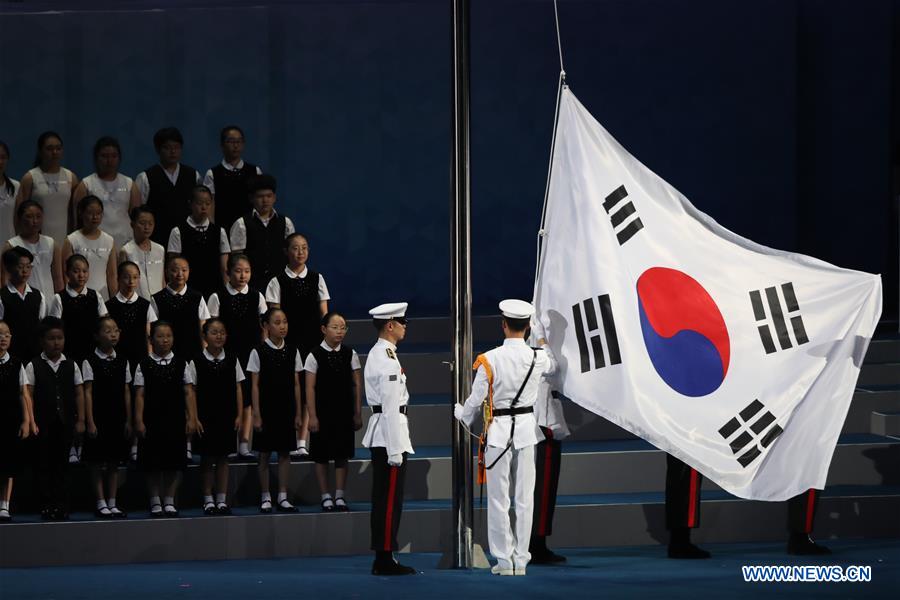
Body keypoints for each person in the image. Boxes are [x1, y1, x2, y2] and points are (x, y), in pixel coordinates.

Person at [454, 299, 558, 576]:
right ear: (526, 327)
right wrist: (542, 340)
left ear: (503, 324)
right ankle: (522, 560)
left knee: (499, 499)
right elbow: (554, 366)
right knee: (525, 498)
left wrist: (461, 413)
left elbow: (475, 401)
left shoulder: (489, 359)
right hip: (526, 430)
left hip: (498, 432)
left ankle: (504, 561)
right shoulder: (537, 358)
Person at [665, 457, 830, 557]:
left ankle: (801, 537)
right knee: (684, 447)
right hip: (716, 408)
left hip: (765, 407)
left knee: (807, 443)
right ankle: (679, 539)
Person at [362, 302, 416, 576]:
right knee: (388, 500)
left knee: (387, 499)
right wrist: (396, 449)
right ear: (390, 325)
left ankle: (385, 555)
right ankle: (384, 558)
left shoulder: (384, 354)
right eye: (402, 322)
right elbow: (392, 406)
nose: (406, 327)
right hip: (388, 436)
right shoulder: (385, 357)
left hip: (385, 432)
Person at [266, 232, 329, 459]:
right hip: (287, 343)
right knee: (289, 391)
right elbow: (274, 315)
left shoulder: (317, 278)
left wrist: (325, 339)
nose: (300, 252)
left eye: (304, 247)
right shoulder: (276, 281)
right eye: (295, 248)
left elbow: (324, 314)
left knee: (306, 389)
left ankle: (302, 440)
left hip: (312, 341)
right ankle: (287, 439)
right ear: (286, 251)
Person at [133, 320, 198, 517]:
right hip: (152, 419)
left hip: (175, 418)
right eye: (160, 336)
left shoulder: (181, 364)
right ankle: (155, 500)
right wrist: (138, 420)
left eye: (168, 336)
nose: (164, 340)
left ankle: (169, 499)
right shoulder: (144, 364)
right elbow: (139, 395)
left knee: (173, 461)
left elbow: (188, 393)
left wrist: (192, 418)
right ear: (151, 339)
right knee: (152, 463)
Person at [206, 253, 266, 461]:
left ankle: (243, 444)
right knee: (228, 398)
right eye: (238, 271)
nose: (242, 276)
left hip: (251, 353)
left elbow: (264, 326)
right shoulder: (217, 296)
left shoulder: (257, 296)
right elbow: (212, 328)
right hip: (226, 353)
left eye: (247, 271)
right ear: (228, 272)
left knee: (248, 398)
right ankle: (228, 443)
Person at [25, 316, 85, 520]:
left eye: (60, 338)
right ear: (42, 341)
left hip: (65, 421)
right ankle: (46, 503)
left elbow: (79, 393)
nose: (56, 342)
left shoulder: (71, 364)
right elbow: (28, 394)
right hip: (42, 423)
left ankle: (62, 504)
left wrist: (81, 419)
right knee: (44, 464)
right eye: (51, 338)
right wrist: (31, 420)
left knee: (62, 465)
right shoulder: (34, 365)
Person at [305, 311, 362, 512]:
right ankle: (325, 495)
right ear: (323, 329)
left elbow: (356, 384)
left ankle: (339, 495)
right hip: (322, 412)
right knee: (321, 456)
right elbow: (309, 388)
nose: (339, 331)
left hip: (344, 412)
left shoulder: (350, 354)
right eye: (335, 327)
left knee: (342, 454)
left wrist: (357, 412)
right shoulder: (314, 355)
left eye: (343, 328)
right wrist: (312, 415)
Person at [247, 308, 301, 512]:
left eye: (285, 322)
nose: (282, 326)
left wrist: (297, 413)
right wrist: (256, 414)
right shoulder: (258, 351)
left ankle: (283, 495)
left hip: (286, 408)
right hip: (266, 409)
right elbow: (254, 385)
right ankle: (266, 496)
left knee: (285, 453)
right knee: (264, 454)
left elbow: (296, 384)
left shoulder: (293, 351)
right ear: (266, 326)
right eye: (277, 322)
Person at [193, 318, 244, 515]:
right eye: (214, 332)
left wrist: (239, 415)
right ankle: (208, 498)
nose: (219, 336)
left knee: (223, 458)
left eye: (222, 332)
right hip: (205, 416)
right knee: (207, 458)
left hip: (227, 415)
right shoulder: (196, 360)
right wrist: (194, 417)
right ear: (204, 336)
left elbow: (238, 388)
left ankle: (221, 499)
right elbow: (192, 390)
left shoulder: (232, 359)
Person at [82, 316, 131, 519]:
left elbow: (127, 391)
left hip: (117, 416)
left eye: (116, 330)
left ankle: (112, 502)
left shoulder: (123, 360)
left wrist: (129, 419)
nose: (112, 334)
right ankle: (100, 501)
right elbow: (87, 392)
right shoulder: (89, 360)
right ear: (97, 336)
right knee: (96, 461)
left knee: (113, 462)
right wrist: (90, 421)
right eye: (107, 330)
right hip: (98, 416)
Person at [72, 137, 141, 250]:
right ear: (96, 158)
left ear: (119, 158)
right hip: (95, 243)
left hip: (125, 243)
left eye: (114, 156)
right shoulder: (86, 184)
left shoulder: (129, 184)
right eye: (104, 156)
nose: (109, 161)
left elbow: (137, 218)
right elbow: (76, 221)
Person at [135, 128, 200, 246]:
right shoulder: (145, 177)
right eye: (167, 147)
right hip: (157, 241)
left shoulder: (193, 175)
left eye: (176, 147)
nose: (173, 151)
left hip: (187, 240)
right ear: (158, 149)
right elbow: (139, 213)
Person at [229, 175, 295, 291]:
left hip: (280, 283)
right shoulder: (241, 224)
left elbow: (291, 255)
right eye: (260, 196)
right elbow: (236, 258)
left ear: (274, 197)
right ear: (251, 198)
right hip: (252, 285)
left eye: (269, 196)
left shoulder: (286, 223)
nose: (265, 200)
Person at [14, 131, 79, 248]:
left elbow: (74, 212)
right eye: (49, 149)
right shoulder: (30, 177)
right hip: (35, 240)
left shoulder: (71, 177)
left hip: (64, 238)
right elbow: (19, 213)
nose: (54, 152)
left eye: (58, 148)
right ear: (40, 151)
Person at [529, 381, 570, 564]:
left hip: (540, 421)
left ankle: (536, 542)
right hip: (543, 423)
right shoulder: (540, 355)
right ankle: (535, 544)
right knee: (543, 488)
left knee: (541, 488)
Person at [166, 185, 230, 298]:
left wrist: (227, 291)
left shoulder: (220, 232)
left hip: (214, 289)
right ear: (190, 204)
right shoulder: (178, 231)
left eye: (208, 203)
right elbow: (173, 266)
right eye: (200, 203)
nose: (204, 207)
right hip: (187, 289)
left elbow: (224, 267)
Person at [0, 320, 33, 522]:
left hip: (10, 419)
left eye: (6, 334)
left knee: (7, 464)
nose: (2, 338)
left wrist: (26, 421)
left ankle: (4, 504)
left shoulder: (17, 363)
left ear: (11, 339)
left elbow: (24, 394)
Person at [49, 254, 109, 365]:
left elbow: (104, 322)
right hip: (69, 351)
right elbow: (54, 327)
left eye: (85, 271)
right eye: (76, 271)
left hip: (93, 350)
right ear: (67, 273)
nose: (81, 275)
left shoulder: (95, 295)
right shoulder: (59, 298)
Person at [202, 126, 263, 232]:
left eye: (239, 141)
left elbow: (260, 203)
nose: (235, 145)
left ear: (243, 144)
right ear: (222, 145)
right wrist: (213, 232)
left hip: (250, 230)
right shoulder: (212, 174)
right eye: (231, 141)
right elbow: (210, 207)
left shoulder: (255, 171)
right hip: (223, 230)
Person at [150, 256, 209, 359]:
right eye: (175, 270)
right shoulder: (157, 299)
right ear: (167, 272)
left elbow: (203, 328)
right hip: (165, 354)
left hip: (193, 352)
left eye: (184, 270)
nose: (180, 274)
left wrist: (205, 353)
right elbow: (151, 329)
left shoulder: (197, 297)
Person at [3, 200, 63, 300]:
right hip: (23, 301)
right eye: (29, 216)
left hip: (49, 298)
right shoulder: (11, 245)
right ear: (20, 218)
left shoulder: (51, 243)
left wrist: (61, 302)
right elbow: (5, 278)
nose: (34, 221)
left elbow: (58, 278)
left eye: (38, 216)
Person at [62, 195, 117, 300]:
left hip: (103, 296)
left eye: (98, 213)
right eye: (90, 213)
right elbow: (66, 275)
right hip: (78, 297)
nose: (95, 217)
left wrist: (114, 301)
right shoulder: (71, 240)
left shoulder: (109, 241)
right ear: (81, 213)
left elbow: (112, 275)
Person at [0, 246, 49, 361]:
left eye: (28, 266)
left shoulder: (38, 295)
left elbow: (42, 325)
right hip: (10, 355)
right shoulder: (2, 296)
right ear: (9, 268)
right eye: (20, 266)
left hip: (35, 354)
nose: (25, 271)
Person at [119, 206, 165, 300]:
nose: (147, 227)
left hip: (159, 302)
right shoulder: (126, 250)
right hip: (136, 302)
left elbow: (162, 280)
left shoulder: (160, 249)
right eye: (142, 223)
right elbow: (122, 282)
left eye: (150, 223)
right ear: (132, 224)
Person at [0, 141, 21, 244]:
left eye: (3, 157)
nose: (0, 162)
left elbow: (19, 220)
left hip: (10, 245)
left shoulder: (16, 186)